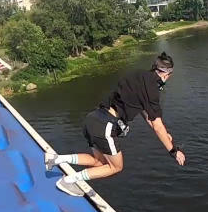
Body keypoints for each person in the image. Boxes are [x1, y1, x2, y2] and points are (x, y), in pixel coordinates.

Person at [45, 52, 186, 196]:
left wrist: (164, 133)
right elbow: (157, 126)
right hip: (106, 126)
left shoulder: (137, 75)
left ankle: (56, 159)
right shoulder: (152, 90)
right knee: (116, 167)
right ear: (165, 75)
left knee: (98, 162)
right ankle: (68, 181)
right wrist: (173, 151)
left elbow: (149, 116)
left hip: (93, 118)